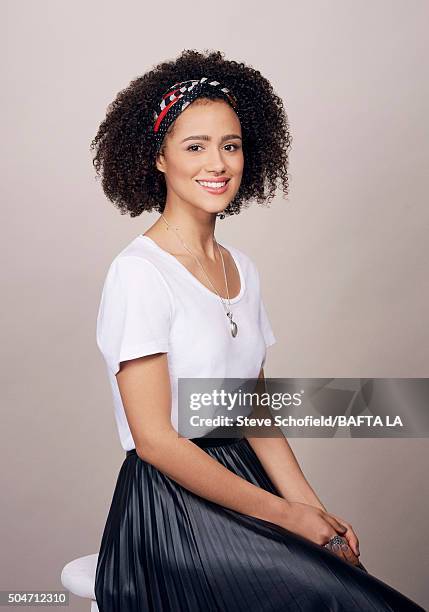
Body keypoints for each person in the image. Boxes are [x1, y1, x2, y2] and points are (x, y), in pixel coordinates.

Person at [91, 50, 425, 612]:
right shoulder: (139, 273)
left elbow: (252, 409)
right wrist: (285, 515)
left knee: (354, 583)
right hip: (172, 507)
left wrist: (314, 512)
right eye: (194, 146)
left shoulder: (242, 267)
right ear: (158, 159)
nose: (217, 162)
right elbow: (155, 441)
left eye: (231, 144)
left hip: (245, 481)